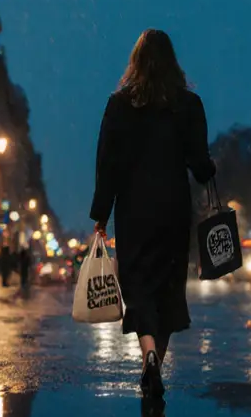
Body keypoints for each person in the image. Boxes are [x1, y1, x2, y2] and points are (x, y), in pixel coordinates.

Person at [90, 28, 215, 398]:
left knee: (139, 287)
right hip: (175, 209)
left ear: (136, 63)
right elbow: (200, 165)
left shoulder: (119, 105)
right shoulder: (189, 105)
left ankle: (148, 358)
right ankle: (155, 361)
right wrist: (210, 168)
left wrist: (101, 214)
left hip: (134, 211)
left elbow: (106, 165)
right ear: (172, 62)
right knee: (168, 289)